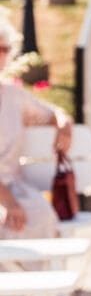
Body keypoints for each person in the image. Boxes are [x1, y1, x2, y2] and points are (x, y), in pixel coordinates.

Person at [0, 16, 74, 239]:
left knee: (41, 215)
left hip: (15, 188)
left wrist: (63, 124)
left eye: (3, 48)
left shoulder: (13, 95)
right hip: (6, 196)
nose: (0, 54)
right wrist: (8, 202)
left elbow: (52, 113)